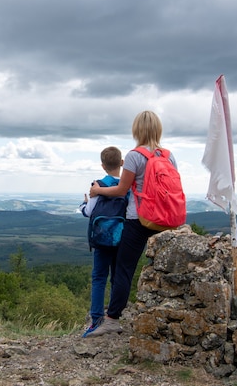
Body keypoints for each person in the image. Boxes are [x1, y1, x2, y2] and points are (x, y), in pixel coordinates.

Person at [84, 110, 178, 337]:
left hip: (138, 220)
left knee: (123, 271)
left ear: (137, 130)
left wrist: (97, 190)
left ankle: (112, 319)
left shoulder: (135, 156)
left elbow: (121, 189)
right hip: (164, 220)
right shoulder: (168, 156)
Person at [78, 146, 127, 338]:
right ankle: (114, 316)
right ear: (122, 163)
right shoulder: (127, 185)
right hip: (122, 239)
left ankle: (96, 319)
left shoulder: (98, 185)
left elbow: (89, 212)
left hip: (101, 240)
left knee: (99, 277)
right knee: (118, 277)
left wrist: (83, 204)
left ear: (102, 165)